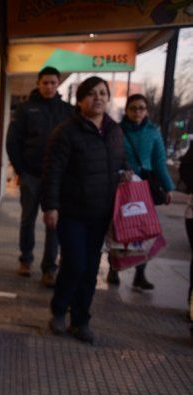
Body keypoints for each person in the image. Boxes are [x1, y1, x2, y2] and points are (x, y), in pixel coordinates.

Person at [42, 76, 130, 344]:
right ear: (80, 100)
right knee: (75, 264)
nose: (99, 98)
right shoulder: (66, 132)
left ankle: (81, 320)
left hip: (101, 213)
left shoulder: (114, 131)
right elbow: (53, 172)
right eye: (92, 94)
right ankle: (59, 310)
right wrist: (51, 207)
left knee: (91, 269)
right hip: (72, 212)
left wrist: (125, 174)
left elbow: (120, 162)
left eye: (103, 93)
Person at [6, 66, 73, 286]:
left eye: (53, 83)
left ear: (58, 83)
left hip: (58, 178)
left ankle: (49, 269)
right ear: (38, 83)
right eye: (45, 82)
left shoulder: (67, 111)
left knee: (53, 223)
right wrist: (20, 170)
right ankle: (25, 260)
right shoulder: (26, 109)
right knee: (27, 219)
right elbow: (13, 141)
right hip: (31, 176)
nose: (49, 86)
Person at [106, 94, 175, 290]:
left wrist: (168, 187)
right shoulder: (116, 131)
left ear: (147, 111)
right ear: (126, 110)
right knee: (119, 228)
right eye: (133, 108)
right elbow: (111, 156)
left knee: (143, 230)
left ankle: (140, 274)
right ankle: (114, 268)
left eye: (142, 108)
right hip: (120, 186)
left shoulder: (153, 132)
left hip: (144, 189)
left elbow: (159, 162)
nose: (138, 112)